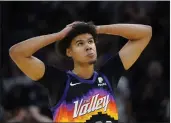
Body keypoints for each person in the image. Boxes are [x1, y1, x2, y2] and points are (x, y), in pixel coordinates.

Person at [9, 21, 152, 122]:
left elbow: (145, 33)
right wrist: (59, 35)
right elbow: (17, 53)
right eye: (80, 43)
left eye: (90, 41)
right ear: (69, 52)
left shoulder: (109, 74)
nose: (88, 47)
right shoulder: (59, 81)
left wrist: (97, 28)